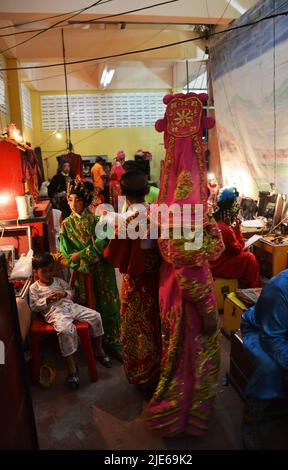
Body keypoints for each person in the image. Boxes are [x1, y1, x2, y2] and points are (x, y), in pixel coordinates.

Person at [147, 92, 225, 436]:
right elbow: (188, 257)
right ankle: (182, 419)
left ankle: (178, 415)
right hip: (189, 294)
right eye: (201, 142)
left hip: (172, 288)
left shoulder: (170, 185)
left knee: (178, 357)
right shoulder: (187, 190)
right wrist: (208, 306)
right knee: (194, 359)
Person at [104, 170, 161, 390]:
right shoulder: (161, 215)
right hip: (160, 282)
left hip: (136, 284)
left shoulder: (126, 222)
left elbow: (112, 255)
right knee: (157, 325)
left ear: (124, 195)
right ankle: (160, 372)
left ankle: (141, 374)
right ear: (148, 191)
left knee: (135, 327)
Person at [59, 177, 121, 360]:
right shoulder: (66, 225)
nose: (73, 204)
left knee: (109, 306)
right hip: (83, 274)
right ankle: (94, 347)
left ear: (85, 201)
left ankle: (114, 343)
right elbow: (65, 254)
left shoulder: (97, 219)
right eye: (70, 200)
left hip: (103, 270)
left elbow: (105, 240)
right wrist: (79, 260)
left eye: (77, 200)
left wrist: (82, 255)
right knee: (88, 309)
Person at [29, 253, 110, 390]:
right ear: (35, 272)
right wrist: (47, 300)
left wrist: (63, 294)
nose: (48, 274)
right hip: (55, 313)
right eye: (44, 272)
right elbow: (34, 306)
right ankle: (72, 368)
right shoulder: (34, 288)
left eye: (50, 270)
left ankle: (98, 349)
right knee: (66, 331)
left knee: (96, 316)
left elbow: (71, 292)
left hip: (71, 307)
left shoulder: (58, 281)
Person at [240, 265, 288, 448]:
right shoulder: (281, 287)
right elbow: (272, 338)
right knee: (269, 367)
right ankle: (251, 419)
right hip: (262, 332)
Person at [210, 187, 260, 288]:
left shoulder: (215, 223)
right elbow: (237, 250)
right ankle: (253, 287)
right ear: (230, 212)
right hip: (219, 266)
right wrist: (238, 231)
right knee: (250, 258)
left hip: (212, 263)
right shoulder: (225, 229)